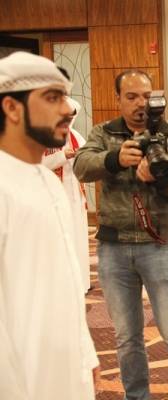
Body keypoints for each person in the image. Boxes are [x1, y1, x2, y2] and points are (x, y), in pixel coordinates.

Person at [73, 69, 168, 400]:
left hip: (160, 245)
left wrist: (161, 179)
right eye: (131, 96)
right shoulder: (104, 133)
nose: (140, 104)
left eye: (146, 96)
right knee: (126, 337)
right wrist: (114, 159)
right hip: (113, 248)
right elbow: (81, 166)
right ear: (118, 99)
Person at [0, 51, 99, 399]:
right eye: (53, 98)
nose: (67, 110)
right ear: (12, 108)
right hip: (20, 378)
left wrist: (85, 352)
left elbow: (66, 280)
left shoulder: (47, 182)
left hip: (63, 365)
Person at [42, 96, 91, 293]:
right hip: (54, 196)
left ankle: (81, 283)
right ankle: (62, 286)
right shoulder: (44, 136)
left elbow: (89, 158)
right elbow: (38, 164)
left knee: (78, 238)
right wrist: (63, 156)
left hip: (75, 196)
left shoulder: (76, 136)